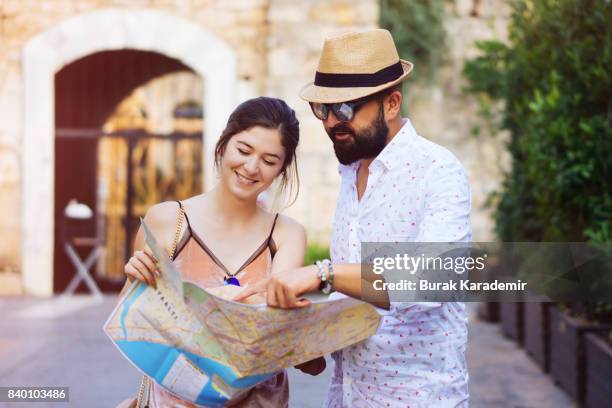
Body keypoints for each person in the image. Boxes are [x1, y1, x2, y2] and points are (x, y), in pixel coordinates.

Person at [237, 29, 471, 407]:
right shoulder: (351, 171)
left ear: (392, 103)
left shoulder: (438, 170)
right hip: (349, 395)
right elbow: (362, 302)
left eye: (345, 109)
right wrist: (307, 343)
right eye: (323, 110)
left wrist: (322, 273)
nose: (331, 122)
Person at [118, 96, 323, 408]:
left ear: (281, 169)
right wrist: (138, 284)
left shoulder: (285, 234)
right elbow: (129, 326)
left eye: (269, 161)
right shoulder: (167, 220)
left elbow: (277, 326)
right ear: (223, 144)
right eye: (243, 150)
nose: (251, 168)